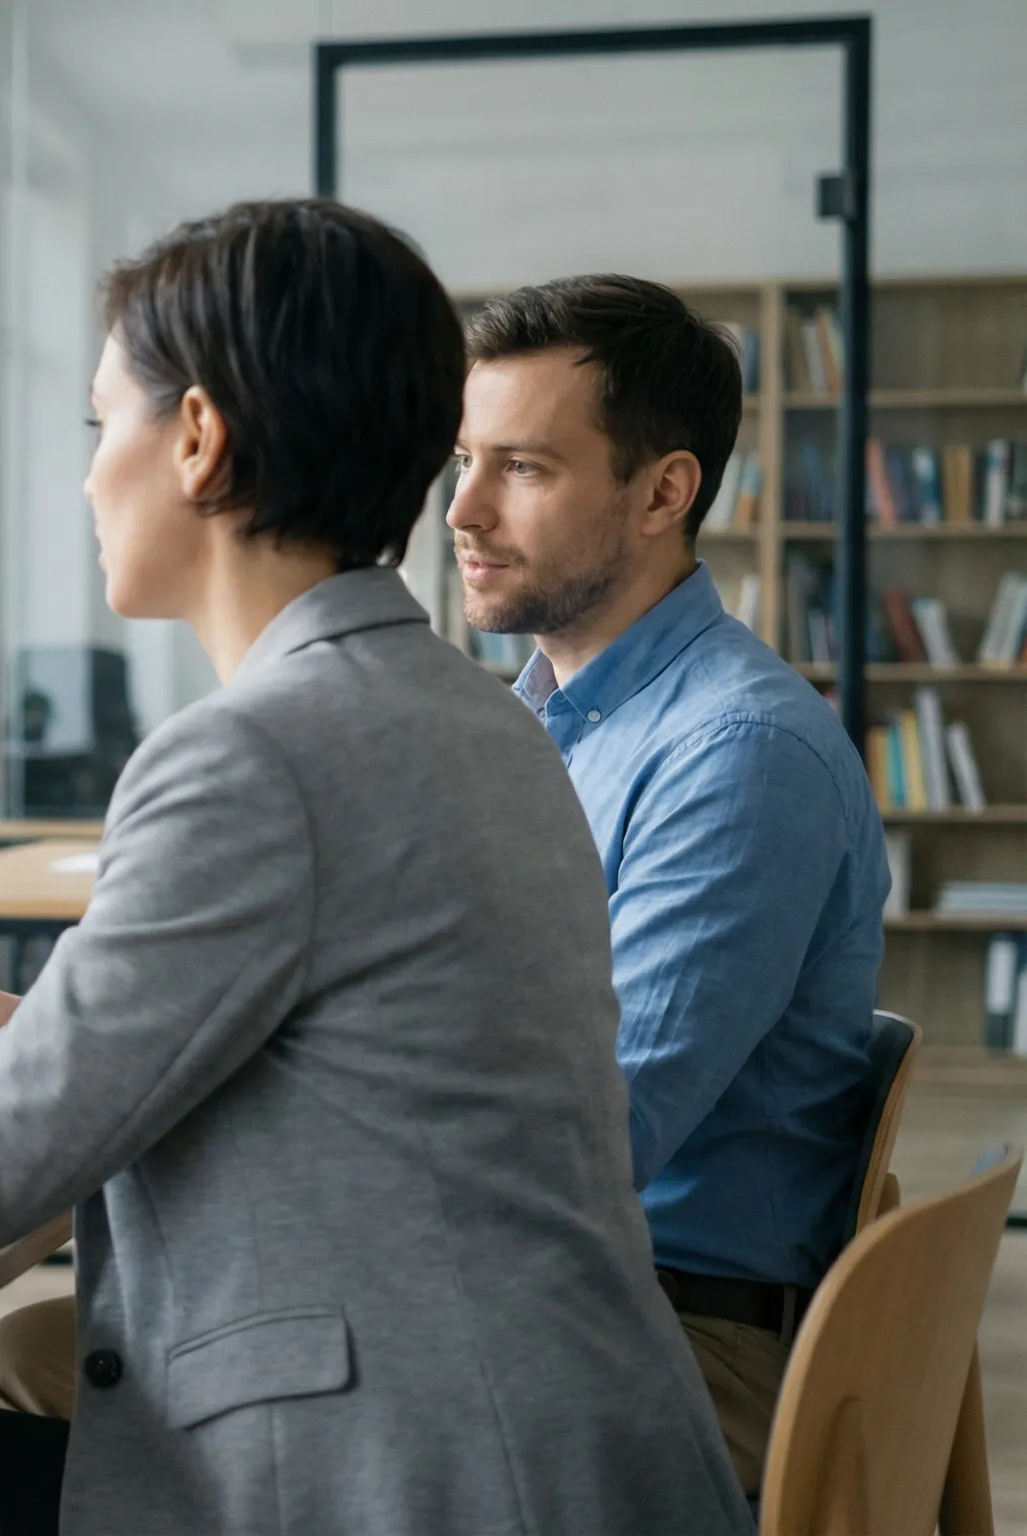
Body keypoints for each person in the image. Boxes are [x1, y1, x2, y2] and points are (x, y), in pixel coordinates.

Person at [0, 200, 749, 1536]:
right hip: (563, 1460)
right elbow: (359, 1075)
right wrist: (48, 1045)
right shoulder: (479, 716)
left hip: (416, 1486)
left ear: (194, 438)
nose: (84, 476)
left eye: (97, 422)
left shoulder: (253, 757)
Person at [449, 274, 887, 1494]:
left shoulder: (736, 755)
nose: (462, 511)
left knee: (87, 1370)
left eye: (522, 469)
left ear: (663, 491)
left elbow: (586, 1133)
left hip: (669, 1333)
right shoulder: (547, 727)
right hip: (560, 1283)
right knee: (55, 1355)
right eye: (461, 460)